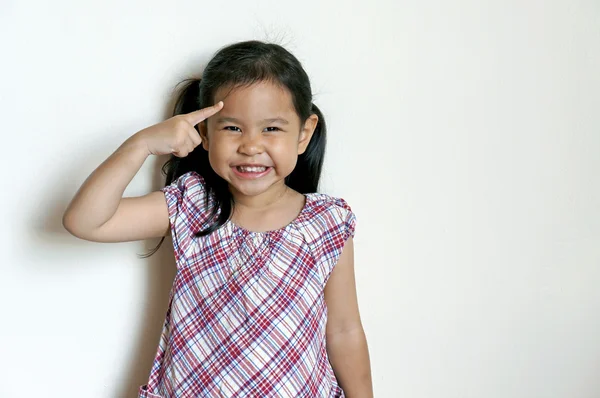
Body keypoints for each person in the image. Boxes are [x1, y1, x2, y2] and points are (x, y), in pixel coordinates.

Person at [63, 40, 373, 398]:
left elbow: (345, 330)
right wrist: (141, 144)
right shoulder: (191, 205)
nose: (251, 146)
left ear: (303, 134)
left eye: (271, 129)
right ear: (206, 134)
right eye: (232, 128)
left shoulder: (327, 222)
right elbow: (85, 221)